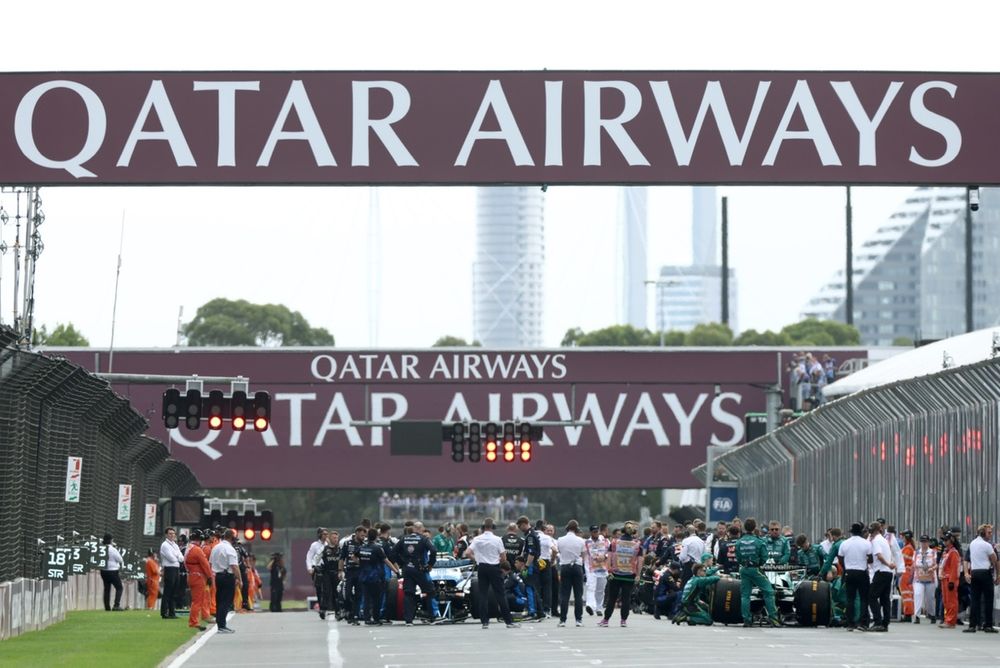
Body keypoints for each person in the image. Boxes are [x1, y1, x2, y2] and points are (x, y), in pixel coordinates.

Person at [465, 517, 518, 629]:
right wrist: (497, 561)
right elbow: (504, 557)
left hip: (482, 567)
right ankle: (508, 621)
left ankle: (485, 622)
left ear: (483, 527)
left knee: (483, 595)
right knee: (500, 594)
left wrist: (477, 560)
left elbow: (467, 553)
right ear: (493, 527)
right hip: (494, 568)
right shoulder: (497, 539)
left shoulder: (477, 539)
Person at [735, 518, 780, 627]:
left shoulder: (739, 542)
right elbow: (764, 557)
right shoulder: (759, 541)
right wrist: (758, 564)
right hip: (755, 569)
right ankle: (774, 618)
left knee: (745, 595)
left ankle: (747, 620)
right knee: (769, 591)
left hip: (744, 570)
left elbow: (738, 558)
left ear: (744, 527)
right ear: (755, 528)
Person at [598, 521, 643, 628]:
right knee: (626, 598)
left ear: (622, 531)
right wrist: (638, 575)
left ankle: (606, 620)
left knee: (612, 598)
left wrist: (608, 571)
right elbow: (640, 561)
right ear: (633, 532)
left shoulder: (614, 543)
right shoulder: (637, 545)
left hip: (615, 574)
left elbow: (609, 558)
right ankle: (623, 620)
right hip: (630, 574)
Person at [394, 522, 439, 625]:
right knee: (430, 592)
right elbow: (433, 550)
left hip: (407, 570)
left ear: (413, 528)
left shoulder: (404, 539)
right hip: (420, 570)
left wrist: (402, 563)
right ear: (422, 529)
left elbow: (393, 552)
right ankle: (433, 617)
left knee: (409, 593)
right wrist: (430, 565)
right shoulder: (424, 539)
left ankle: (408, 620)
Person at [358, 527, 399, 626]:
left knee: (367, 598)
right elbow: (387, 561)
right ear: (376, 537)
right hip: (376, 577)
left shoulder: (362, 547)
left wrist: (362, 563)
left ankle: (367, 618)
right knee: (377, 599)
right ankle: (376, 618)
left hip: (364, 576)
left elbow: (354, 557)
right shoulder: (377, 548)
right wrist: (396, 571)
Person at [964, 523, 999, 633]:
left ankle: (972, 625)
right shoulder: (987, 545)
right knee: (988, 599)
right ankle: (988, 625)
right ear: (983, 533)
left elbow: (967, 559)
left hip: (974, 572)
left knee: (975, 599)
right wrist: (998, 574)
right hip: (985, 573)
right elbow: (995, 560)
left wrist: (966, 573)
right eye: (989, 532)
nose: (990, 534)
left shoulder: (972, 544)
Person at [838, 522, 873, 631]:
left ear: (851, 532)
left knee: (850, 599)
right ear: (861, 532)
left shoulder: (845, 543)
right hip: (862, 572)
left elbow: (840, 558)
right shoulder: (866, 543)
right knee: (863, 598)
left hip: (849, 572)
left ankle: (850, 623)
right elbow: (870, 559)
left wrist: (846, 566)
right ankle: (862, 623)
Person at [209, 528, 242, 634]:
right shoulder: (230, 549)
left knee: (219, 601)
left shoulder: (216, 547)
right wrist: (239, 579)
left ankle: (220, 624)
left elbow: (210, 563)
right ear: (232, 538)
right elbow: (234, 566)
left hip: (218, 576)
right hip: (227, 576)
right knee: (226, 601)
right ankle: (222, 625)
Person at [555, 520, 586, 628]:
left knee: (565, 595)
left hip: (565, 566)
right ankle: (578, 620)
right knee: (578, 595)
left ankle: (563, 620)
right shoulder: (581, 540)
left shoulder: (560, 539)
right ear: (576, 529)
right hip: (577, 566)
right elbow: (583, 555)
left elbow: (559, 551)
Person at [867, 521, 895, 632]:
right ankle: (885, 623)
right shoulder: (884, 540)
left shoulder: (876, 541)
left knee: (872, 597)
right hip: (888, 573)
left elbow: (879, 556)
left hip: (881, 571)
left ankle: (877, 621)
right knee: (885, 599)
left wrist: (888, 564)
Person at [184, 530, 213, 631]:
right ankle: (193, 622)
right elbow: (205, 564)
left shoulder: (189, 548)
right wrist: (209, 577)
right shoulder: (197, 550)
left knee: (195, 600)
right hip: (198, 577)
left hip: (191, 576)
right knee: (197, 601)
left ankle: (194, 621)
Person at [517, 516, 544, 620]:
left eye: (520, 526)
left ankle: (533, 612)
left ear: (524, 524)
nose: (520, 529)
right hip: (531, 564)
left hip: (531, 565)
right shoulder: (531, 534)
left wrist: (526, 566)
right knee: (532, 588)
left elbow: (531, 553)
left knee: (530, 588)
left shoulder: (530, 536)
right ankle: (539, 612)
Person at [583, 524, 609, 617]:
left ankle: (598, 607)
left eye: (597, 531)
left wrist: (605, 556)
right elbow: (583, 555)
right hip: (591, 569)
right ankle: (590, 605)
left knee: (600, 590)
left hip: (602, 568)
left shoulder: (605, 541)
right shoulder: (586, 542)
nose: (596, 533)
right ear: (591, 532)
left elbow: (610, 552)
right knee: (591, 587)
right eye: (594, 532)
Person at [159, 527, 183, 619]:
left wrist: (177, 556)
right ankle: (164, 612)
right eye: (170, 533)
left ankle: (172, 612)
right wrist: (177, 556)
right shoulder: (165, 545)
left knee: (174, 592)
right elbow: (171, 558)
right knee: (168, 591)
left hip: (176, 569)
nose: (172, 535)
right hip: (169, 569)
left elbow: (181, 557)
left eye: (173, 533)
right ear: (166, 535)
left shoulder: (175, 545)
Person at [912, 534, 937, 623]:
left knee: (930, 598)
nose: (924, 544)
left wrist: (931, 568)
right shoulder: (916, 553)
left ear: (928, 542)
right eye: (922, 542)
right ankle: (917, 616)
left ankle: (932, 614)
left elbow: (936, 564)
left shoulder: (933, 552)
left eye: (925, 542)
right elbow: (913, 564)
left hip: (930, 579)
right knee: (918, 595)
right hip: (918, 578)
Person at [938, 533, 961, 629]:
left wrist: (951, 581)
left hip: (949, 580)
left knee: (951, 601)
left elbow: (954, 568)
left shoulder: (953, 552)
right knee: (946, 601)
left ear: (951, 540)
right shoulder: (946, 552)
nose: (944, 542)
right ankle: (947, 619)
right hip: (944, 579)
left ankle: (951, 621)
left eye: (946, 540)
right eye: (943, 540)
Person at [316, 531, 340, 620]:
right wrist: (316, 567)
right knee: (326, 591)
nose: (336, 539)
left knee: (336, 592)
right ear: (329, 538)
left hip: (337, 573)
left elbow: (344, 559)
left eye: (337, 538)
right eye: (334, 538)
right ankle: (322, 609)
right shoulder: (324, 549)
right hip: (327, 573)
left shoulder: (340, 549)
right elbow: (316, 558)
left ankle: (338, 611)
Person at [100, 533, 125, 612]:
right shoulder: (112, 549)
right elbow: (120, 559)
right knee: (119, 587)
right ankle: (116, 605)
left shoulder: (101, 548)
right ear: (111, 540)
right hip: (113, 571)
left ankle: (107, 607)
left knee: (107, 589)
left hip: (103, 571)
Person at [307, 528, 328, 613]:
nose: (326, 536)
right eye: (324, 534)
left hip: (326, 569)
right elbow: (309, 557)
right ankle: (321, 607)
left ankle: (325, 605)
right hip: (317, 569)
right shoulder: (314, 545)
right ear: (320, 535)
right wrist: (309, 568)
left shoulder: (328, 544)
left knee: (326, 588)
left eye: (327, 534)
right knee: (319, 589)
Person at [899, 530, 916, 622]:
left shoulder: (907, 548)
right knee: (908, 594)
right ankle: (908, 613)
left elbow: (902, 560)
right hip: (908, 572)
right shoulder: (909, 547)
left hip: (906, 572)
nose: (901, 538)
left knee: (906, 594)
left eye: (903, 536)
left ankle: (908, 614)